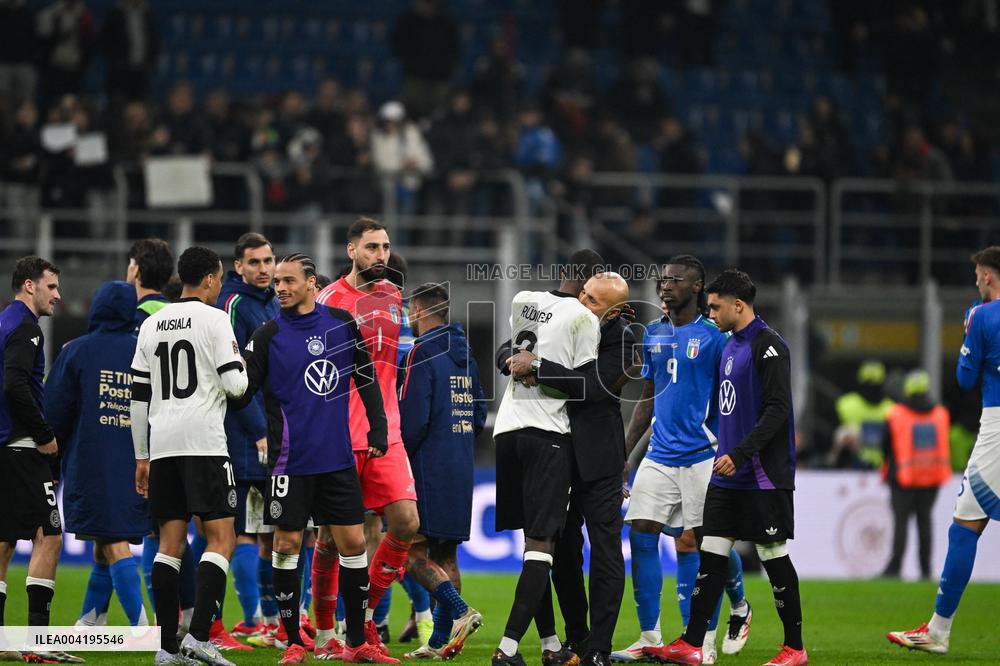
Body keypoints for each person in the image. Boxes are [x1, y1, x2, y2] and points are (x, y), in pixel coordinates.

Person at [230, 253, 396, 665]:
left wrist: (378, 428)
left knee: (354, 543)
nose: (280, 287)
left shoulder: (341, 324)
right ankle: (294, 643)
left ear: (310, 283)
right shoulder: (268, 335)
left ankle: (355, 642)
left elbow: (366, 377)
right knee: (286, 544)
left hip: (336, 457)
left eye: (288, 280)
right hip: (289, 462)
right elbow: (243, 390)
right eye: (278, 282)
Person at [646, 269, 806, 666]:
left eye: (716, 306)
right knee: (711, 551)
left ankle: (795, 648)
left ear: (739, 305)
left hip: (762, 474)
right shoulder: (730, 345)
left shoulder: (769, 346)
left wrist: (742, 453)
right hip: (727, 472)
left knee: (772, 553)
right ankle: (692, 642)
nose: (710, 312)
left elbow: (778, 409)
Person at [613, 257, 751, 665]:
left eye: (675, 280)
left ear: (696, 288)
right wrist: (625, 453)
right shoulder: (654, 333)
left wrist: (733, 448)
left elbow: (734, 397)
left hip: (702, 454)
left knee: (701, 542)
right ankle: (649, 636)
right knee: (641, 531)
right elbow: (648, 395)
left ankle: (719, 624)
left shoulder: (715, 338)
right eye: (662, 280)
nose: (665, 286)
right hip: (659, 454)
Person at [309, 218, 430, 660]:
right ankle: (324, 635)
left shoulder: (394, 297)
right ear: (351, 251)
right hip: (338, 433)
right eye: (372, 247)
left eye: (385, 247)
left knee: (405, 523)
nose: (381, 255)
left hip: (386, 431)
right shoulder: (328, 300)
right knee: (329, 537)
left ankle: (362, 621)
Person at [505, 271, 634, 666]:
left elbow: (593, 388)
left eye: (594, 301)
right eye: (584, 293)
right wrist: (513, 359)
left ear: (617, 312)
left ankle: (599, 647)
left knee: (606, 550)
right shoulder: (562, 316)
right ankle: (576, 637)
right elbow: (510, 348)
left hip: (599, 459)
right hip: (555, 450)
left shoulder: (625, 338)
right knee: (558, 552)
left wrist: (537, 366)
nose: (583, 303)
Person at [130, 246, 248, 666]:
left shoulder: (152, 323)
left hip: (162, 444)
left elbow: (138, 397)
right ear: (213, 279)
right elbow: (235, 386)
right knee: (222, 538)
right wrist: (244, 363)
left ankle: (165, 648)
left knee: (169, 543)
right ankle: (199, 636)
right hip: (204, 443)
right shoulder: (217, 320)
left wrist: (141, 454)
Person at [490, 250, 603, 666]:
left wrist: (518, 360)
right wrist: (540, 364)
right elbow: (587, 386)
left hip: (507, 431)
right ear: (593, 281)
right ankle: (507, 649)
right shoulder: (585, 320)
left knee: (531, 546)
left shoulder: (524, 300)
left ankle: (552, 646)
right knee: (543, 544)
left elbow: (508, 350)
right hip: (548, 436)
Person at [887, 247, 1000, 654]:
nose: (975, 283)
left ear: (987, 277)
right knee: (966, 522)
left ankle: (938, 631)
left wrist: (972, 326)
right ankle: (937, 629)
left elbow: (965, 378)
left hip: (998, 425)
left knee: (965, 523)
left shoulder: (984, 315)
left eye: (976, 277)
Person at [45, 281, 148, 628]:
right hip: (138, 463)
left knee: (114, 540)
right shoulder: (143, 350)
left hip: (92, 460)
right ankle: (92, 620)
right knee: (106, 541)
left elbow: (54, 411)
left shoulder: (77, 351)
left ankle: (142, 629)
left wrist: (50, 462)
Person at [398, 283, 487, 659]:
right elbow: (479, 416)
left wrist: (399, 456)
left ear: (418, 311)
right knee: (447, 555)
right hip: (460, 464)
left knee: (411, 553)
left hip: (427, 467)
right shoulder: (467, 355)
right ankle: (441, 643)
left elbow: (413, 421)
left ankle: (460, 611)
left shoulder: (420, 353)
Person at [0, 256, 82, 664]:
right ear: (30, 286)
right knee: (49, 533)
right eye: (51, 287)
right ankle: (37, 641)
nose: (58, 295)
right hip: (21, 447)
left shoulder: (4, 322)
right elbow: (15, 384)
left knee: (2, 541)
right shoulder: (27, 329)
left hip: (3, 445)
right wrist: (45, 435)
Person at [216, 232, 281, 646]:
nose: (263, 269)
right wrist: (257, 431)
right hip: (242, 434)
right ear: (237, 267)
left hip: (276, 431)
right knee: (242, 529)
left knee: (277, 527)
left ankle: (277, 621)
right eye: (254, 262)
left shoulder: (274, 302)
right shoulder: (233, 305)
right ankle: (254, 617)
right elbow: (234, 379)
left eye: (268, 261)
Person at [881, 370, 951, 580]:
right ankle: (925, 570)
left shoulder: (896, 414)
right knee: (925, 523)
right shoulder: (940, 414)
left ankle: (894, 569)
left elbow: (886, 446)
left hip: (903, 477)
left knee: (901, 523)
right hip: (932, 477)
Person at [832, 361, 895, 468]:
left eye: (875, 386)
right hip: (852, 469)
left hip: (884, 471)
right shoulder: (845, 405)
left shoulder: (893, 410)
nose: (871, 391)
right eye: (868, 386)